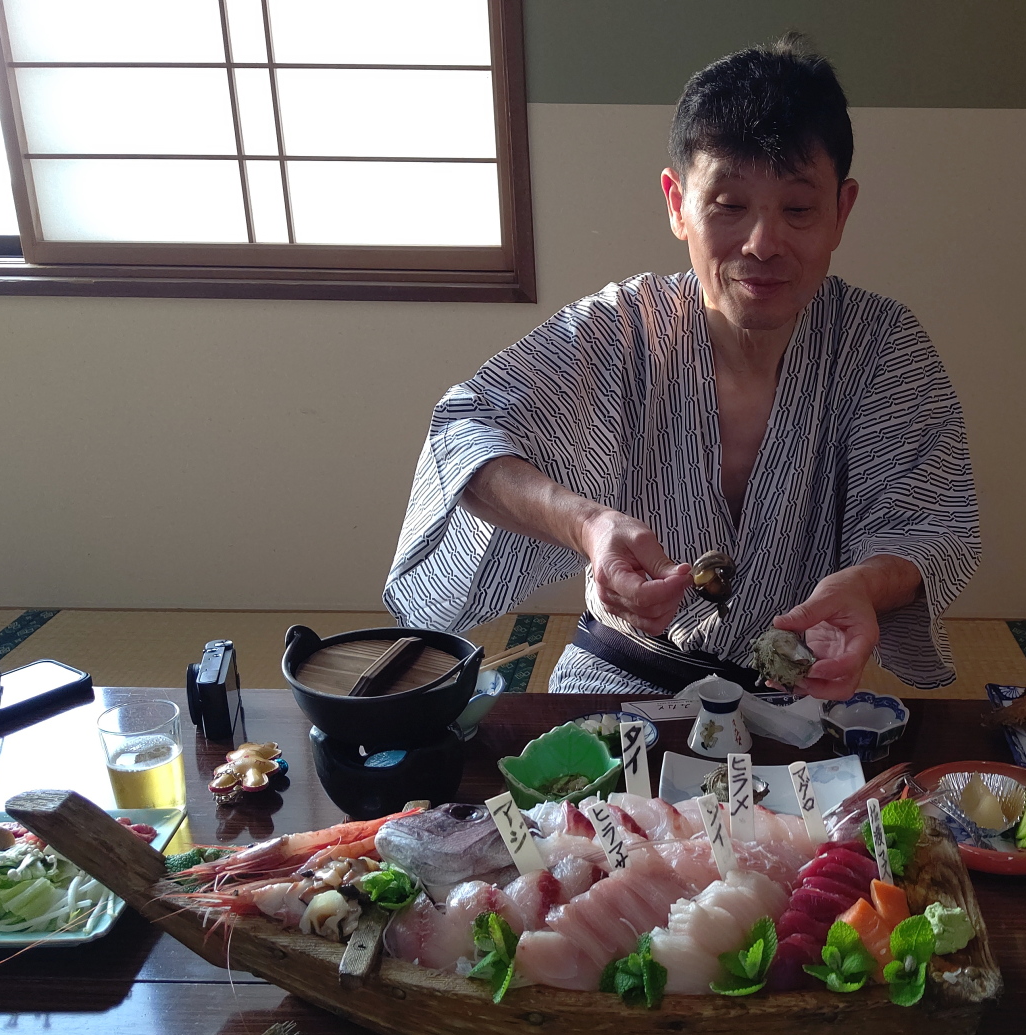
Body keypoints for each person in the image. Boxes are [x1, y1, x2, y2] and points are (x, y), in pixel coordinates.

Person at [385, 36, 979, 700]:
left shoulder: (880, 344)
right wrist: (589, 525)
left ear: (841, 211)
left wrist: (865, 586)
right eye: (729, 205)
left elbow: (928, 523)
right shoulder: (622, 330)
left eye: (798, 209)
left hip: (800, 690)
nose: (763, 243)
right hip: (619, 677)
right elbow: (463, 435)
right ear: (677, 204)